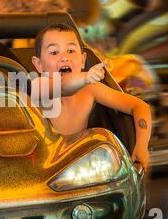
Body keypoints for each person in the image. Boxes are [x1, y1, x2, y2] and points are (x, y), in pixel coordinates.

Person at [31, 23, 152, 172]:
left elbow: (139, 106)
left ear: (83, 60)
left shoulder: (90, 89)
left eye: (70, 50)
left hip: (77, 168)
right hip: (38, 170)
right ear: (38, 65)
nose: (64, 58)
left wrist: (141, 145)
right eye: (54, 52)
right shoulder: (37, 86)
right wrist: (86, 76)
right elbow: (63, 86)